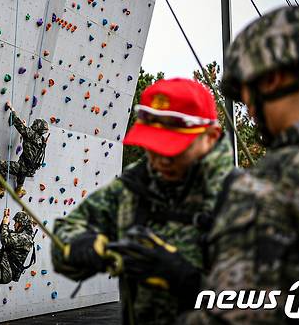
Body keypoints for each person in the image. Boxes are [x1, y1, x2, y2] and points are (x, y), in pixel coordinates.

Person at [117, 5, 299, 324]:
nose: (250, 110)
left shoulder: (272, 188)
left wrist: (183, 284)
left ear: (273, 79)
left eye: (247, 95)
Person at [51, 78, 235, 325]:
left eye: (173, 148)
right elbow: (67, 231)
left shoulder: (248, 198)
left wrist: (187, 280)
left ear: (211, 137)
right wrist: (83, 246)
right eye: (153, 147)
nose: (161, 161)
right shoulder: (132, 188)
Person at [0, 102, 49, 198]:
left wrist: (12, 109)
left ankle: (1, 188)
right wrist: (25, 128)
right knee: (22, 170)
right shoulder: (41, 140)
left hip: (23, 167)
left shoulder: (31, 135)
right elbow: (28, 136)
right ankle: (19, 189)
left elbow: (18, 124)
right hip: (30, 170)